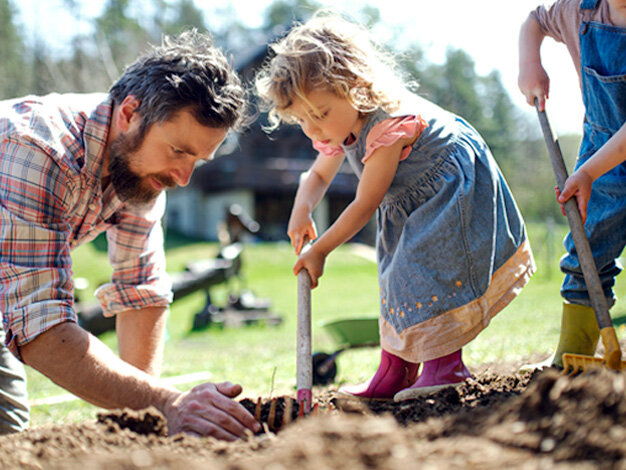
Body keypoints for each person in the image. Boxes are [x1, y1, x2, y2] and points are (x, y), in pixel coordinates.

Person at [255, 12, 535, 401]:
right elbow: (316, 177)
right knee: (396, 278)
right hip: (409, 198)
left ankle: (445, 366)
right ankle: (395, 371)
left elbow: (366, 203)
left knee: (427, 270)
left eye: (320, 114)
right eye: (303, 120)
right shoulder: (339, 123)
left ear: (354, 87)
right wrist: (301, 210)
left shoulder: (388, 125)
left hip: (447, 186)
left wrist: (321, 250)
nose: (315, 129)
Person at [0, 29, 261, 439]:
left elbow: (141, 291)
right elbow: (40, 327)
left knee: (9, 436)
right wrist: (166, 403)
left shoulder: (138, 169)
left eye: (198, 159)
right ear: (129, 113)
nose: (183, 177)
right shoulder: (37, 148)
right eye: (178, 150)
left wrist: (146, 420)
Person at [518, 0, 626, 369]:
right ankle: (571, 355)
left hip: (599, 165)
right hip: (601, 155)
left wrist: (587, 173)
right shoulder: (580, 11)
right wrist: (530, 63)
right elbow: (535, 21)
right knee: (586, 254)